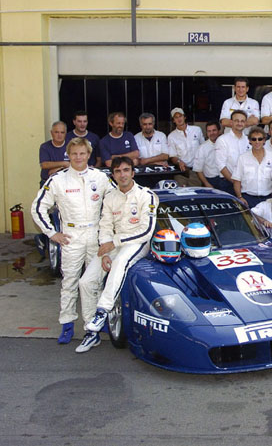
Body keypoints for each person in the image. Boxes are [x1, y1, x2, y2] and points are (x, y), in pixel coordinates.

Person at [31, 137, 113, 345]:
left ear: (88, 155)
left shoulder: (100, 177)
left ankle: (94, 322)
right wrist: (52, 233)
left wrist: (110, 233)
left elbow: (116, 200)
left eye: (82, 153)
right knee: (69, 282)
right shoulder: (58, 180)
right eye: (74, 154)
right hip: (70, 237)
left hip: (95, 235)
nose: (78, 157)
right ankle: (67, 324)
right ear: (68, 155)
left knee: (94, 282)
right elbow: (38, 207)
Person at [77, 156, 157, 353]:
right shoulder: (110, 197)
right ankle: (91, 331)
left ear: (133, 172)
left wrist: (114, 242)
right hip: (112, 244)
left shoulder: (147, 195)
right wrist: (105, 251)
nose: (123, 175)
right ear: (113, 175)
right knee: (85, 282)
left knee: (120, 261)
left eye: (126, 170)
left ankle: (102, 310)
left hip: (136, 244)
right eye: (118, 171)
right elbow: (104, 226)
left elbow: (146, 231)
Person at [232, 128, 272, 208]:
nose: (257, 142)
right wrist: (240, 197)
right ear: (249, 141)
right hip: (248, 199)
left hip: (268, 199)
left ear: (264, 140)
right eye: (254, 139)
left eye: (260, 139)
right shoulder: (242, 158)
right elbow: (237, 180)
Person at [214, 109, 251, 195]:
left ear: (245, 123)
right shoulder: (222, 140)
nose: (239, 123)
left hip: (245, 184)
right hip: (227, 183)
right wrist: (235, 182)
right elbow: (221, 165)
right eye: (236, 121)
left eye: (242, 121)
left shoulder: (248, 140)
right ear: (231, 122)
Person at [168, 107, 205, 187]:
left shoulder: (197, 130)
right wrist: (179, 162)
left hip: (197, 170)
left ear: (184, 117)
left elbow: (203, 148)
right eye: (176, 117)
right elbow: (172, 156)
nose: (179, 119)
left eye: (180, 116)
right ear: (173, 120)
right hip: (181, 172)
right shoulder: (171, 136)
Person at [193, 121, 225, 191]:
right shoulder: (202, 148)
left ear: (219, 131)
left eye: (214, 130)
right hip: (212, 181)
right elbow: (198, 170)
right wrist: (206, 184)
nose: (212, 133)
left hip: (226, 179)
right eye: (209, 131)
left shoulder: (226, 144)